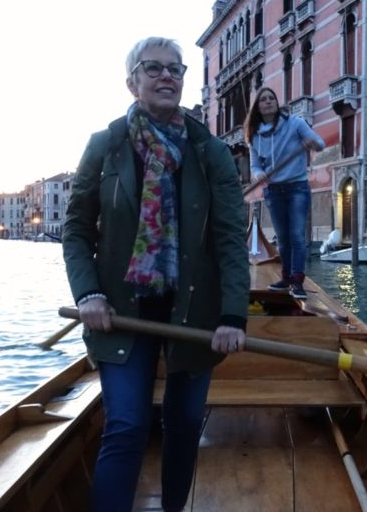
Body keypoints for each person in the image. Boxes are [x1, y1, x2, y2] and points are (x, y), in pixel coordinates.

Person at [62, 37, 250, 512]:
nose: (167, 76)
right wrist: (88, 294)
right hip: (122, 311)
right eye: (153, 68)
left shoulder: (210, 152)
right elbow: (77, 231)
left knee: (185, 426)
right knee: (126, 425)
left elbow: (230, 237)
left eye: (175, 69)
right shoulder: (105, 146)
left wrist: (233, 315)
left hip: (196, 310)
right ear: (132, 83)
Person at [245, 87, 325, 299]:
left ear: (276, 102)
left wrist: (312, 142)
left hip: (297, 187)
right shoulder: (254, 136)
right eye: (264, 99)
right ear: (258, 107)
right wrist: (259, 174)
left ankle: (298, 281)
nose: (268, 101)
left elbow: (321, 144)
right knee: (282, 238)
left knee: (297, 236)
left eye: (272, 98)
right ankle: (286, 277)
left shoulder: (296, 123)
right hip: (273, 191)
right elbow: (254, 166)